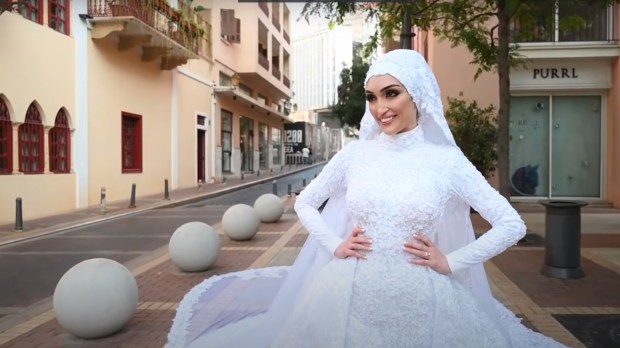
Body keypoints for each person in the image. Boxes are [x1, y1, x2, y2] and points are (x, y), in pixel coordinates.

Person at [167, 50, 567, 348]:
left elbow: (512, 224)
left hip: (425, 303)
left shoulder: (447, 162)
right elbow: (306, 202)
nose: (379, 108)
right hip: (346, 294)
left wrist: (452, 261)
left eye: (391, 94)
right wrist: (335, 244)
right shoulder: (356, 154)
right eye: (372, 97)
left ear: (419, 95)